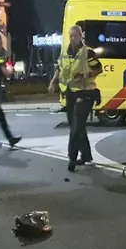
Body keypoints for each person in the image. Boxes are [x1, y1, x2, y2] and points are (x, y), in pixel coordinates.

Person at [48, 25, 102, 172]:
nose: (72, 39)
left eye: (75, 36)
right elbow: (59, 69)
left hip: (85, 93)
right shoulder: (65, 51)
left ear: (80, 36)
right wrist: (53, 82)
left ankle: (71, 158)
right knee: (77, 127)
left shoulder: (88, 52)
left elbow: (98, 69)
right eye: (71, 36)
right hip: (70, 93)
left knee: (76, 127)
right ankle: (86, 156)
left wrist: (86, 75)